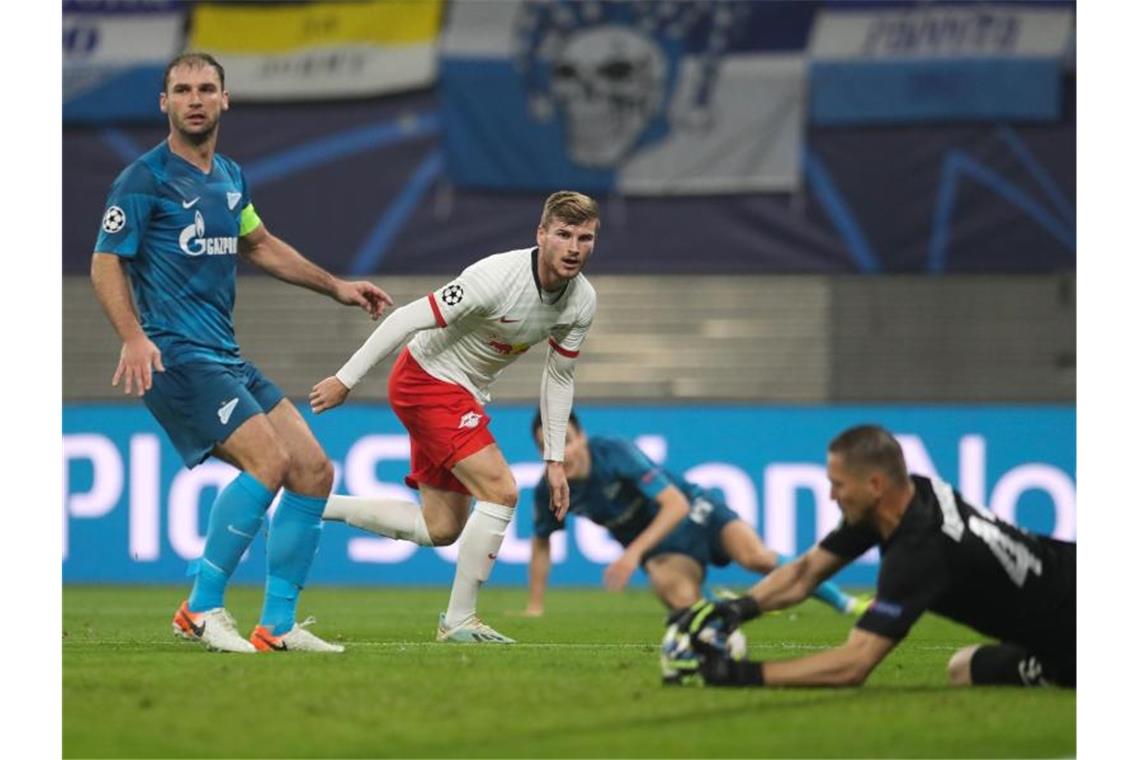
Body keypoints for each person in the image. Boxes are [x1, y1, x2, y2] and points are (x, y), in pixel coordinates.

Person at [90, 53, 393, 654]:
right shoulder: (143, 179)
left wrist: (335, 285)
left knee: (313, 470)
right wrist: (132, 335)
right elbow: (105, 259)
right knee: (269, 461)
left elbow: (258, 243)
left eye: (206, 89)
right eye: (183, 90)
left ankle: (276, 624)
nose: (195, 99)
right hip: (175, 354)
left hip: (225, 354)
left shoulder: (229, 176)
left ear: (225, 99)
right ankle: (199, 606)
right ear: (165, 103)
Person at [309, 191, 600, 644]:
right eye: (563, 235)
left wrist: (555, 460)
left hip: (460, 392)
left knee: (441, 528)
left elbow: (559, 377)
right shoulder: (495, 278)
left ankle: (311, 505)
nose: (574, 248)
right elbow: (406, 318)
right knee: (502, 490)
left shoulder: (581, 302)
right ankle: (459, 621)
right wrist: (346, 379)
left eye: (585, 238)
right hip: (426, 380)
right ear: (541, 235)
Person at [671, 424, 1076, 688]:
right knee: (962, 669)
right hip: (1066, 587)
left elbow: (853, 665)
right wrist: (738, 609)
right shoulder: (913, 495)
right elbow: (806, 572)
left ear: (876, 485)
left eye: (837, 485)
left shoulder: (921, 552)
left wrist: (742, 675)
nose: (831, 496)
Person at [526, 412, 863, 616]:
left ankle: (845, 603)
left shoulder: (613, 453)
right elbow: (542, 543)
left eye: (565, 440)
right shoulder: (548, 490)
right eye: (547, 447)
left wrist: (632, 554)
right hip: (662, 548)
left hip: (697, 513)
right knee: (679, 597)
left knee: (757, 558)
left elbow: (676, 505)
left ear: (581, 437)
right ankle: (720, 623)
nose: (560, 453)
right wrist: (536, 606)